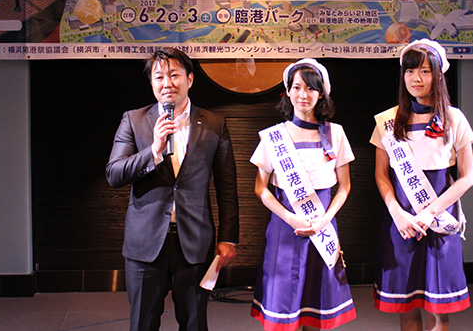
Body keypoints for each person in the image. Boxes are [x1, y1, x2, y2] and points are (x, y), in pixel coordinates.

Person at [106, 48, 239, 331]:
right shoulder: (134, 120)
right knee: (143, 324)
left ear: (189, 79)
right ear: (152, 83)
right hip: (145, 243)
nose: (167, 83)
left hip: (194, 242)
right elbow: (114, 174)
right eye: (159, 77)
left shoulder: (214, 124)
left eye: (174, 75)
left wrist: (229, 237)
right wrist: (153, 151)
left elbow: (226, 185)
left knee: (194, 324)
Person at [371, 39, 473, 331]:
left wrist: (430, 213)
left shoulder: (454, 118)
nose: (415, 78)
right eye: (410, 71)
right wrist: (397, 213)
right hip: (402, 222)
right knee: (406, 304)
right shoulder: (388, 121)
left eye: (424, 71)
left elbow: (468, 176)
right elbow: (381, 175)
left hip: (439, 221)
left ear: (438, 75)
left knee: (438, 307)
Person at [250, 58, 357, 330]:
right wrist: (289, 218)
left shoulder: (335, 133)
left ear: (321, 93)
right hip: (284, 230)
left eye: (310, 88)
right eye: (297, 87)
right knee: (282, 310)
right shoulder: (274, 137)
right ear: (287, 91)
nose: (303, 94)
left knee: (316, 308)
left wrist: (325, 219)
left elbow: (344, 186)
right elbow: (261, 188)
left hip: (322, 226)